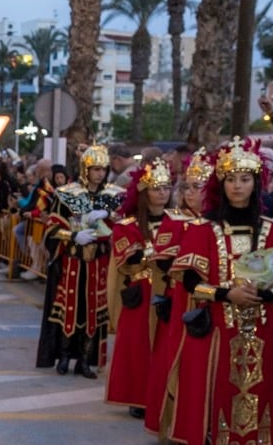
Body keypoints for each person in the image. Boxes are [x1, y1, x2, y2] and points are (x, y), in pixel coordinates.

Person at [167, 138, 273, 445]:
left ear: (256, 183)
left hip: (260, 328)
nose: (238, 186)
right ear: (221, 184)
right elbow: (190, 282)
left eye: (245, 179)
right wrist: (227, 294)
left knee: (255, 393)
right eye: (231, 179)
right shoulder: (203, 229)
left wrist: (267, 295)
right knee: (214, 393)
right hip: (217, 329)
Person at [35, 143, 122, 377]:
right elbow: (52, 227)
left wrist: (108, 214)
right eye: (95, 169)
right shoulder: (67, 193)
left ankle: (84, 360)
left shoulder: (112, 196)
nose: (100, 174)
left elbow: (124, 221)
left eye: (103, 169)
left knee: (92, 311)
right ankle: (64, 357)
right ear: (86, 169)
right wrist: (73, 236)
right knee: (70, 309)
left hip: (97, 263)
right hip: (72, 261)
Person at [144, 152, 213, 437]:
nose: (190, 193)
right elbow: (163, 262)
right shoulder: (173, 220)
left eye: (198, 187)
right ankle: (177, 424)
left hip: (216, 303)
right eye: (186, 187)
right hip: (181, 299)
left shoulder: (218, 223)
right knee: (177, 360)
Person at [105, 158, 174, 418]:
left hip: (168, 291)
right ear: (144, 193)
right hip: (142, 292)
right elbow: (128, 258)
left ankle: (163, 396)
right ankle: (138, 397)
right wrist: (157, 253)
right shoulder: (128, 225)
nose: (162, 193)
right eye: (156, 188)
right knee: (138, 346)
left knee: (164, 345)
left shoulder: (179, 222)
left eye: (166, 188)